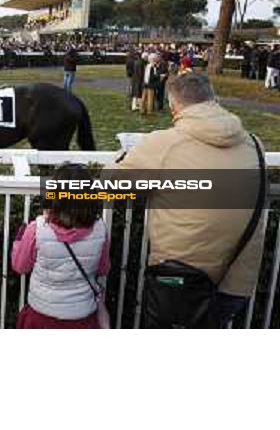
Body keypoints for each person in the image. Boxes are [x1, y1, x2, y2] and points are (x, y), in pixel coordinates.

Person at [111, 73, 266, 328]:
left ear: (174, 106)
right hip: (237, 279)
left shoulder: (165, 143)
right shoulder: (253, 143)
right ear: (213, 99)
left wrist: (123, 157)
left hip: (180, 281)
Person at [12, 164, 110, 329]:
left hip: (42, 316)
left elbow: (20, 266)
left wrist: (19, 240)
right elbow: (102, 269)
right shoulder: (100, 228)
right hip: (82, 316)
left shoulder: (37, 228)